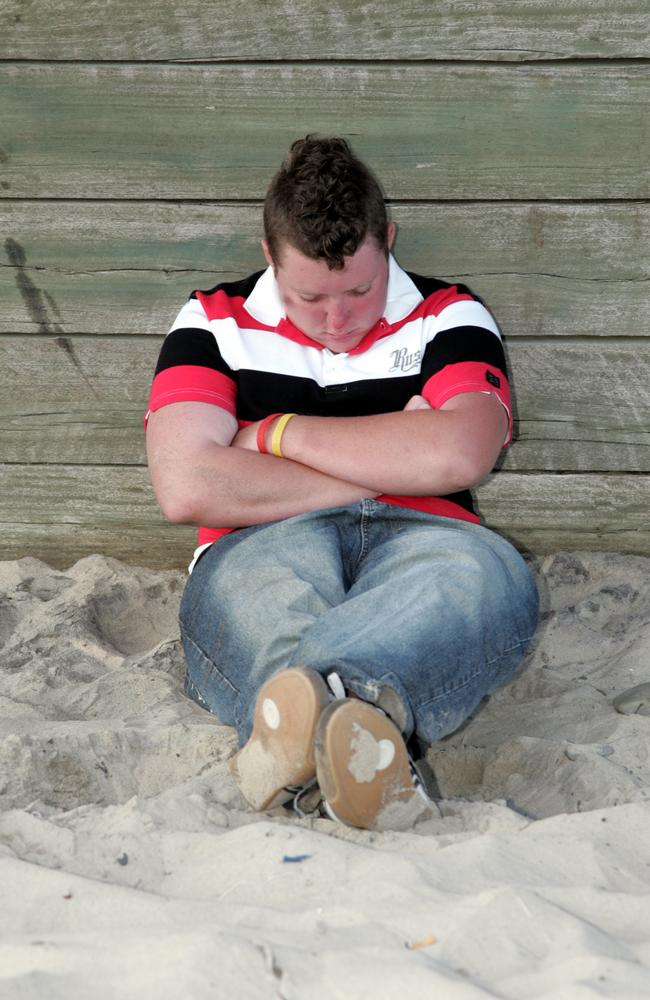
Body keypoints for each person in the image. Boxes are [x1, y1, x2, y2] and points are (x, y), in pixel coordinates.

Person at [145, 135, 539, 830]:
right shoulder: (211, 320)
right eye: (310, 296)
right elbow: (185, 484)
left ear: (387, 239)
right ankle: (353, 728)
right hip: (259, 544)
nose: (338, 321)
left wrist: (272, 436)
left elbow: (459, 455)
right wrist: (389, 460)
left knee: (468, 582)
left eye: (361, 288)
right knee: (264, 600)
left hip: (434, 539)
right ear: (269, 256)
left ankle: (306, 733)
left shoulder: (450, 312)